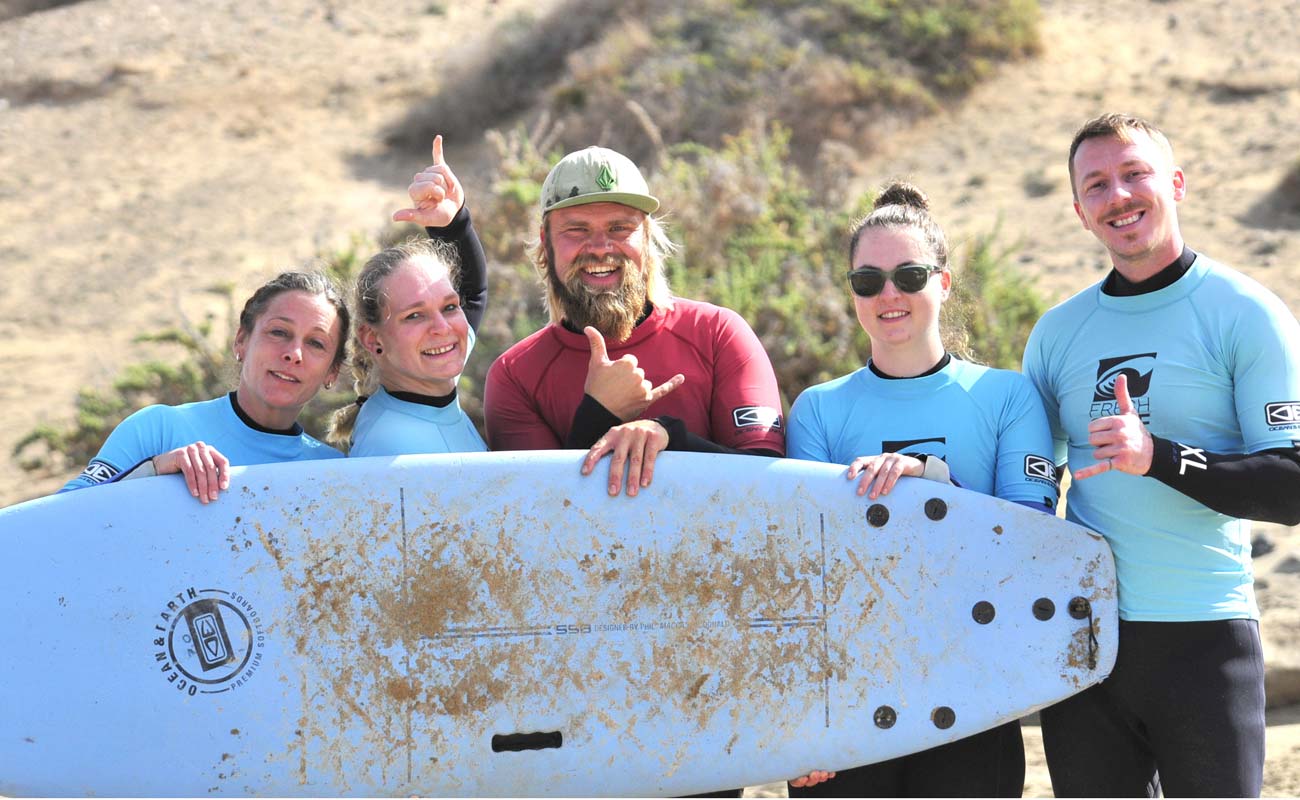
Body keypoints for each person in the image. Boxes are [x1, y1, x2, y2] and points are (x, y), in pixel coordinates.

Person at [1023, 113, 1300, 797]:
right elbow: (1022, 483)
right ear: (1081, 211)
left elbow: (1292, 486)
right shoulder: (1058, 334)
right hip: (1085, 646)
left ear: (1175, 183)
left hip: (1204, 643)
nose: (1119, 195)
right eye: (1097, 184)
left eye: (1134, 173)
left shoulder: (1245, 313)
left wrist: (1162, 458)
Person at [784, 182, 1058, 798]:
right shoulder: (818, 410)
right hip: (847, 699)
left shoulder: (1006, 397)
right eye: (868, 280)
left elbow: (1031, 539)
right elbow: (803, 570)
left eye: (908, 275)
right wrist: (799, 718)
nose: (889, 294)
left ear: (944, 282)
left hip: (971, 690)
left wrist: (932, 483)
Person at [483, 145, 785, 494]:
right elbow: (535, 519)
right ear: (545, 243)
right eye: (577, 230)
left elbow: (768, 485)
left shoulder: (717, 335)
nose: (599, 247)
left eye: (619, 227)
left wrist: (670, 436)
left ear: (646, 236)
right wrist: (598, 414)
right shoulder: (515, 376)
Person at [60, 270, 350, 502]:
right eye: (279, 332)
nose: (293, 353)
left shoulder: (332, 473)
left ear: (332, 371)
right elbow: (57, 519)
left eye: (316, 343)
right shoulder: (159, 429)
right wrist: (154, 471)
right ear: (241, 340)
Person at [329, 136, 488, 456]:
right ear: (373, 340)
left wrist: (454, 223)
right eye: (414, 315)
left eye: (449, 307)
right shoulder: (392, 446)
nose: (442, 327)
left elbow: (472, 292)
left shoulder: (427, 373)